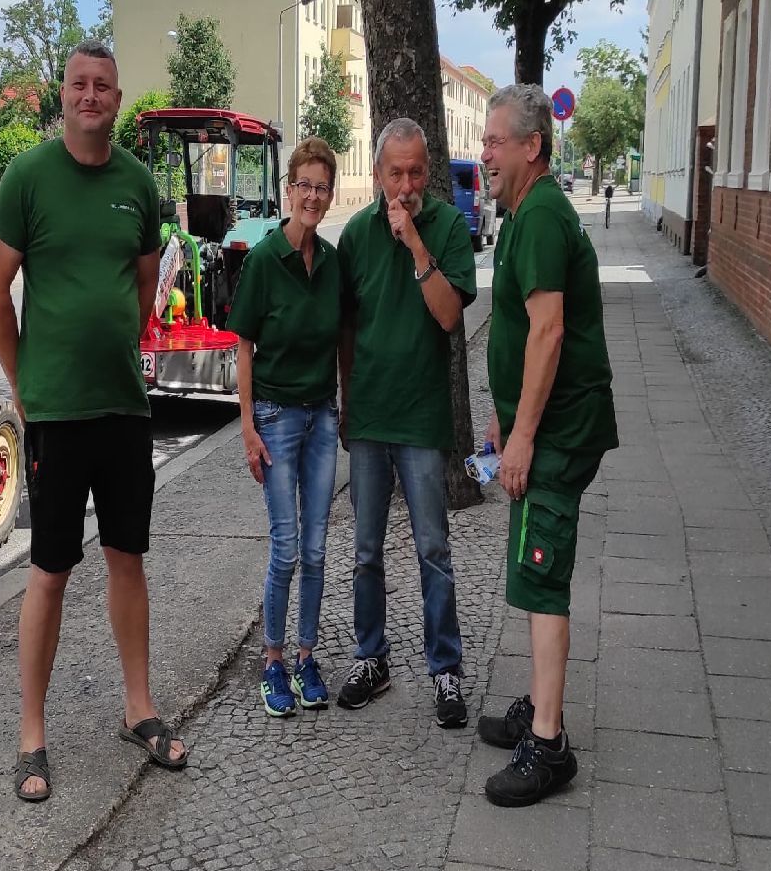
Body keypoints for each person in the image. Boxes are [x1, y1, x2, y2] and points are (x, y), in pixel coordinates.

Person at [0, 42, 187, 802]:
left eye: (103, 85)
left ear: (117, 98)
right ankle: (31, 737)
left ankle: (139, 709)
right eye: (79, 85)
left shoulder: (138, 185)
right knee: (50, 571)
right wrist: (22, 382)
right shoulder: (27, 178)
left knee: (128, 559)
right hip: (57, 415)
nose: (90, 95)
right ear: (62, 96)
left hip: (124, 407)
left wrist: (111, 344)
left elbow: (142, 287)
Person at [477, 84, 618, 805]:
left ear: (532, 146)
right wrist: (506, 416)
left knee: (542, 572)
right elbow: (522, 332)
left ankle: (549, 744)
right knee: (537, 567)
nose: (484, 154)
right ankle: (540, 702)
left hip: (559, 432)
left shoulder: (537, 218)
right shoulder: (527, 212)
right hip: (546, 424)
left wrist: (524, 436)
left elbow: (549, 331)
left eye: (494, 141)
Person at [336, 118, 477, 728]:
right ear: (377, 174)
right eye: (395, 173)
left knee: (433, 549)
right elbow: (345, 328)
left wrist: (416, 244)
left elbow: (449, 317)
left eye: (417, 172)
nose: (406, 185)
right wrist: (345, 401)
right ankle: (372, 657)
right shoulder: (356, 235)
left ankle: (445, 668)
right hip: (370, 414)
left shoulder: (447, 226)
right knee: (366, 550)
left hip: (421, 416)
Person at [228, 137, 342, 717]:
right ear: (288, 190)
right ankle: (272, 660)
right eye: (304, 186)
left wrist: (345, 403)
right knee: (287, 546)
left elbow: (343, 339)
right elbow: (244, 348)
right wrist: (247, 427)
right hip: (275, 418)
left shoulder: (332, 263)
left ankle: (305, 656)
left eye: (322, 187)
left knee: (317, 548)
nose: (312, 197)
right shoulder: (264, 260)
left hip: (322, 417)